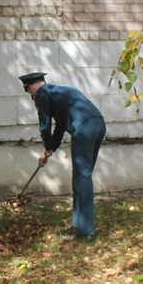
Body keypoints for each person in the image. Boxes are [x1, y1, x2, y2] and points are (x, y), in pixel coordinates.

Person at [18, 72, 107, 239]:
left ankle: (86, 231)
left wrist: (46, 146)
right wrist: (50, 150)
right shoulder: (60, 91)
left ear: (31, 87)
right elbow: (60, 126)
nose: (31, 98)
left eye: (29, 92)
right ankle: (78, 225)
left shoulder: (42, 94)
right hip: (98, 125)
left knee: (82, 178)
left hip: (84, 129)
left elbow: (44, 126)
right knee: (83, 177)